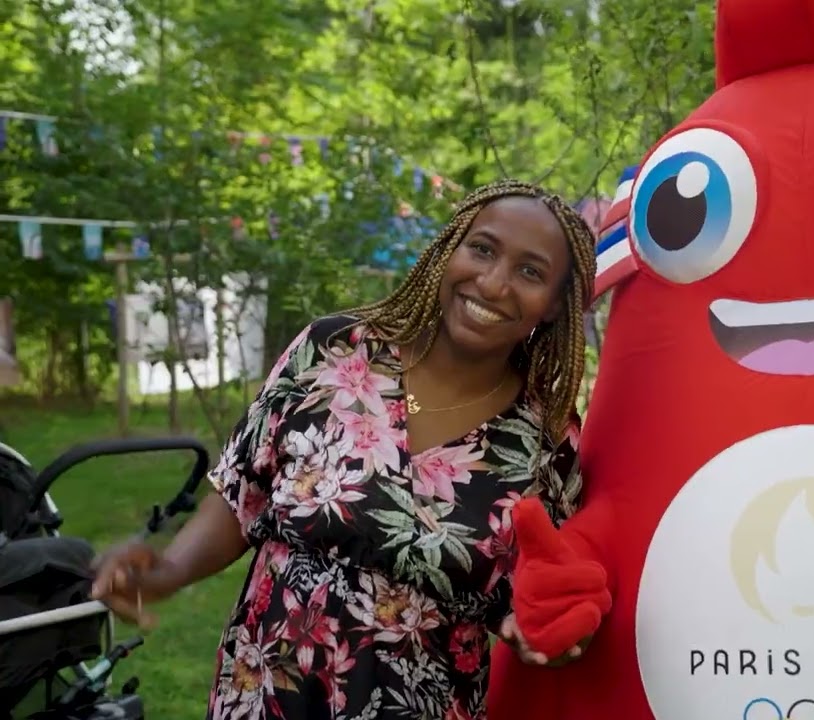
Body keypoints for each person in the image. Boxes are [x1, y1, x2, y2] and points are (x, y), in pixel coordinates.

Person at [90, 179, 598, 719]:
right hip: (264, 695)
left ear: (554, 304)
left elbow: (536, 592)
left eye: (530, 272)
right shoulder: (332, 351)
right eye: (482, 249)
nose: (493, 283)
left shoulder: (546, 441)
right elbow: (245, 492)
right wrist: (168, 570)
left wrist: (548, 631)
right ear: (450, 249)